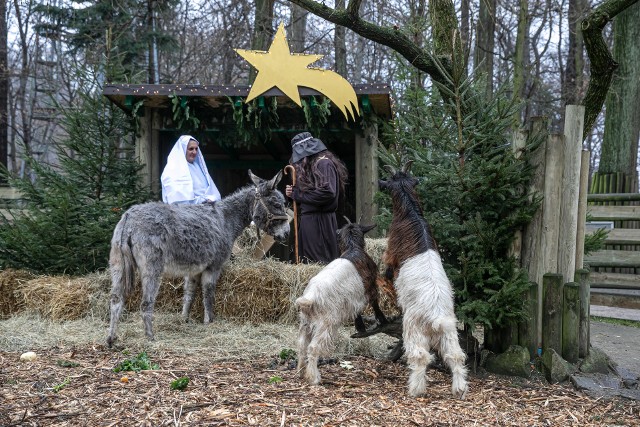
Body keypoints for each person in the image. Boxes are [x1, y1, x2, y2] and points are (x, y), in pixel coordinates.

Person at [285, 132, 348, 263]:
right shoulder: (315, 166)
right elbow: (310, 194)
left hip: (320, 223)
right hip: (310, 221)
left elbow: (327, 193)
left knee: (318, 262)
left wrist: (298, 194)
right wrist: (293, 194)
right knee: (307, 262)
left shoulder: (323, 164)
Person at [161, 135, 221, 205]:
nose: (194, 152)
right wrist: (202, 201)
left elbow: (210, 191)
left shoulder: (198, 167)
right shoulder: (172, 169)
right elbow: (177, 200)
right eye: (191, 149)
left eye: (196, 149)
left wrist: (210, 199)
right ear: (183, 149)